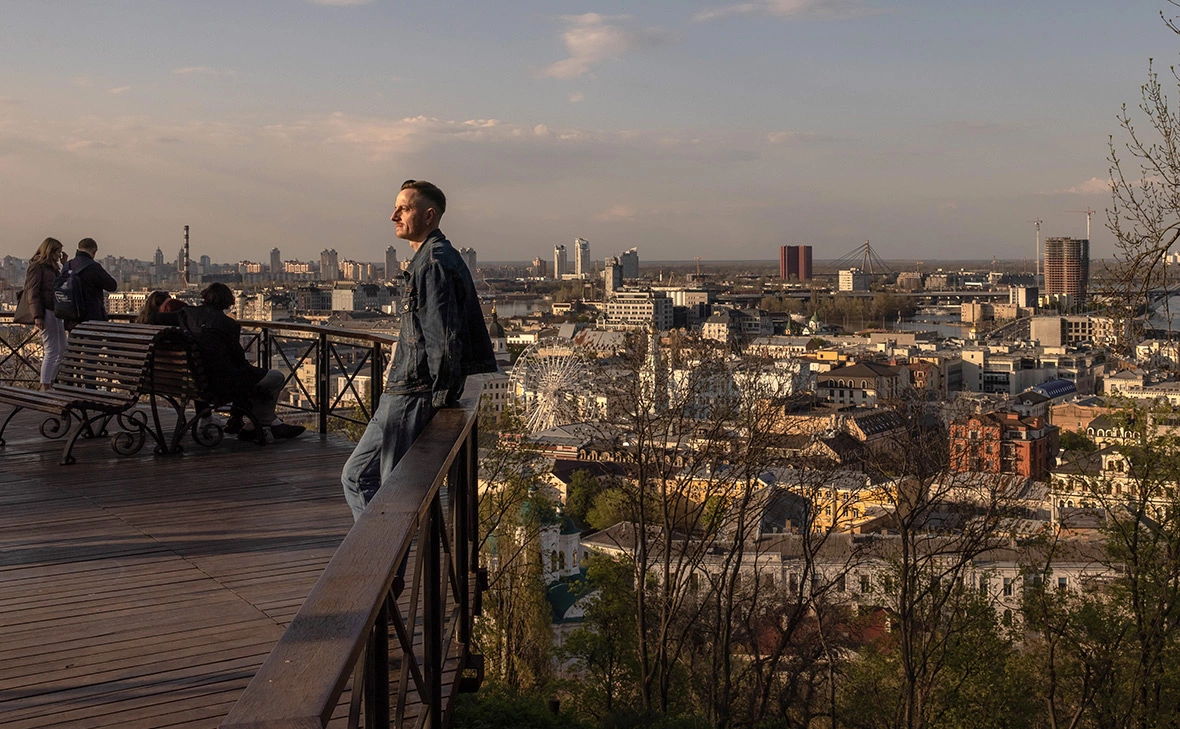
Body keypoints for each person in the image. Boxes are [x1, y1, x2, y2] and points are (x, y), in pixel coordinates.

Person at [341, 179, 497, 520]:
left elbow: (443, 337)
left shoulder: (432, 264)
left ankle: (385, 564)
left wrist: (439, 399)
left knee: (393, 489)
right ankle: (378, 558)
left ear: (429, 215)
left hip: (413, 394)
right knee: (356, 476)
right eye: (396, 207)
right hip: (403, 390)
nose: (394, 215)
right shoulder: (436, 257)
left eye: (404, 208)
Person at [176, 283, 305, 441]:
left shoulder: (186, 315)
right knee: (275, 378)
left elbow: (154, 318)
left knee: (253, 381)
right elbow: (238, 361)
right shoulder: (227, 324)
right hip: (217, 384)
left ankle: (262, 423)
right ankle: (259, 425)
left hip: (190, 380)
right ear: (227, 302)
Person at [16, 238, 68, 389]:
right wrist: (37, 316)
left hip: (55, 311)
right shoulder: (37, 267)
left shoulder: (52, 268)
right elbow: (33, 293)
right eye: (57, 252)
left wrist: (64, 266)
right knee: (51, 350)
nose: (59, 255)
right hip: (46, 312)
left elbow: (61, 285)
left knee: (61, 350)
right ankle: (45, 386)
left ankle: (50, 383)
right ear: (49, 251)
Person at [62, 237, 118, 331]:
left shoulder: (67, 265)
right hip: (92, 317)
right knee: (93, 344)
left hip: (71, 317)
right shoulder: (93, 266)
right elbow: (112, 286)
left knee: (74, 344)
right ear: (94, 251)